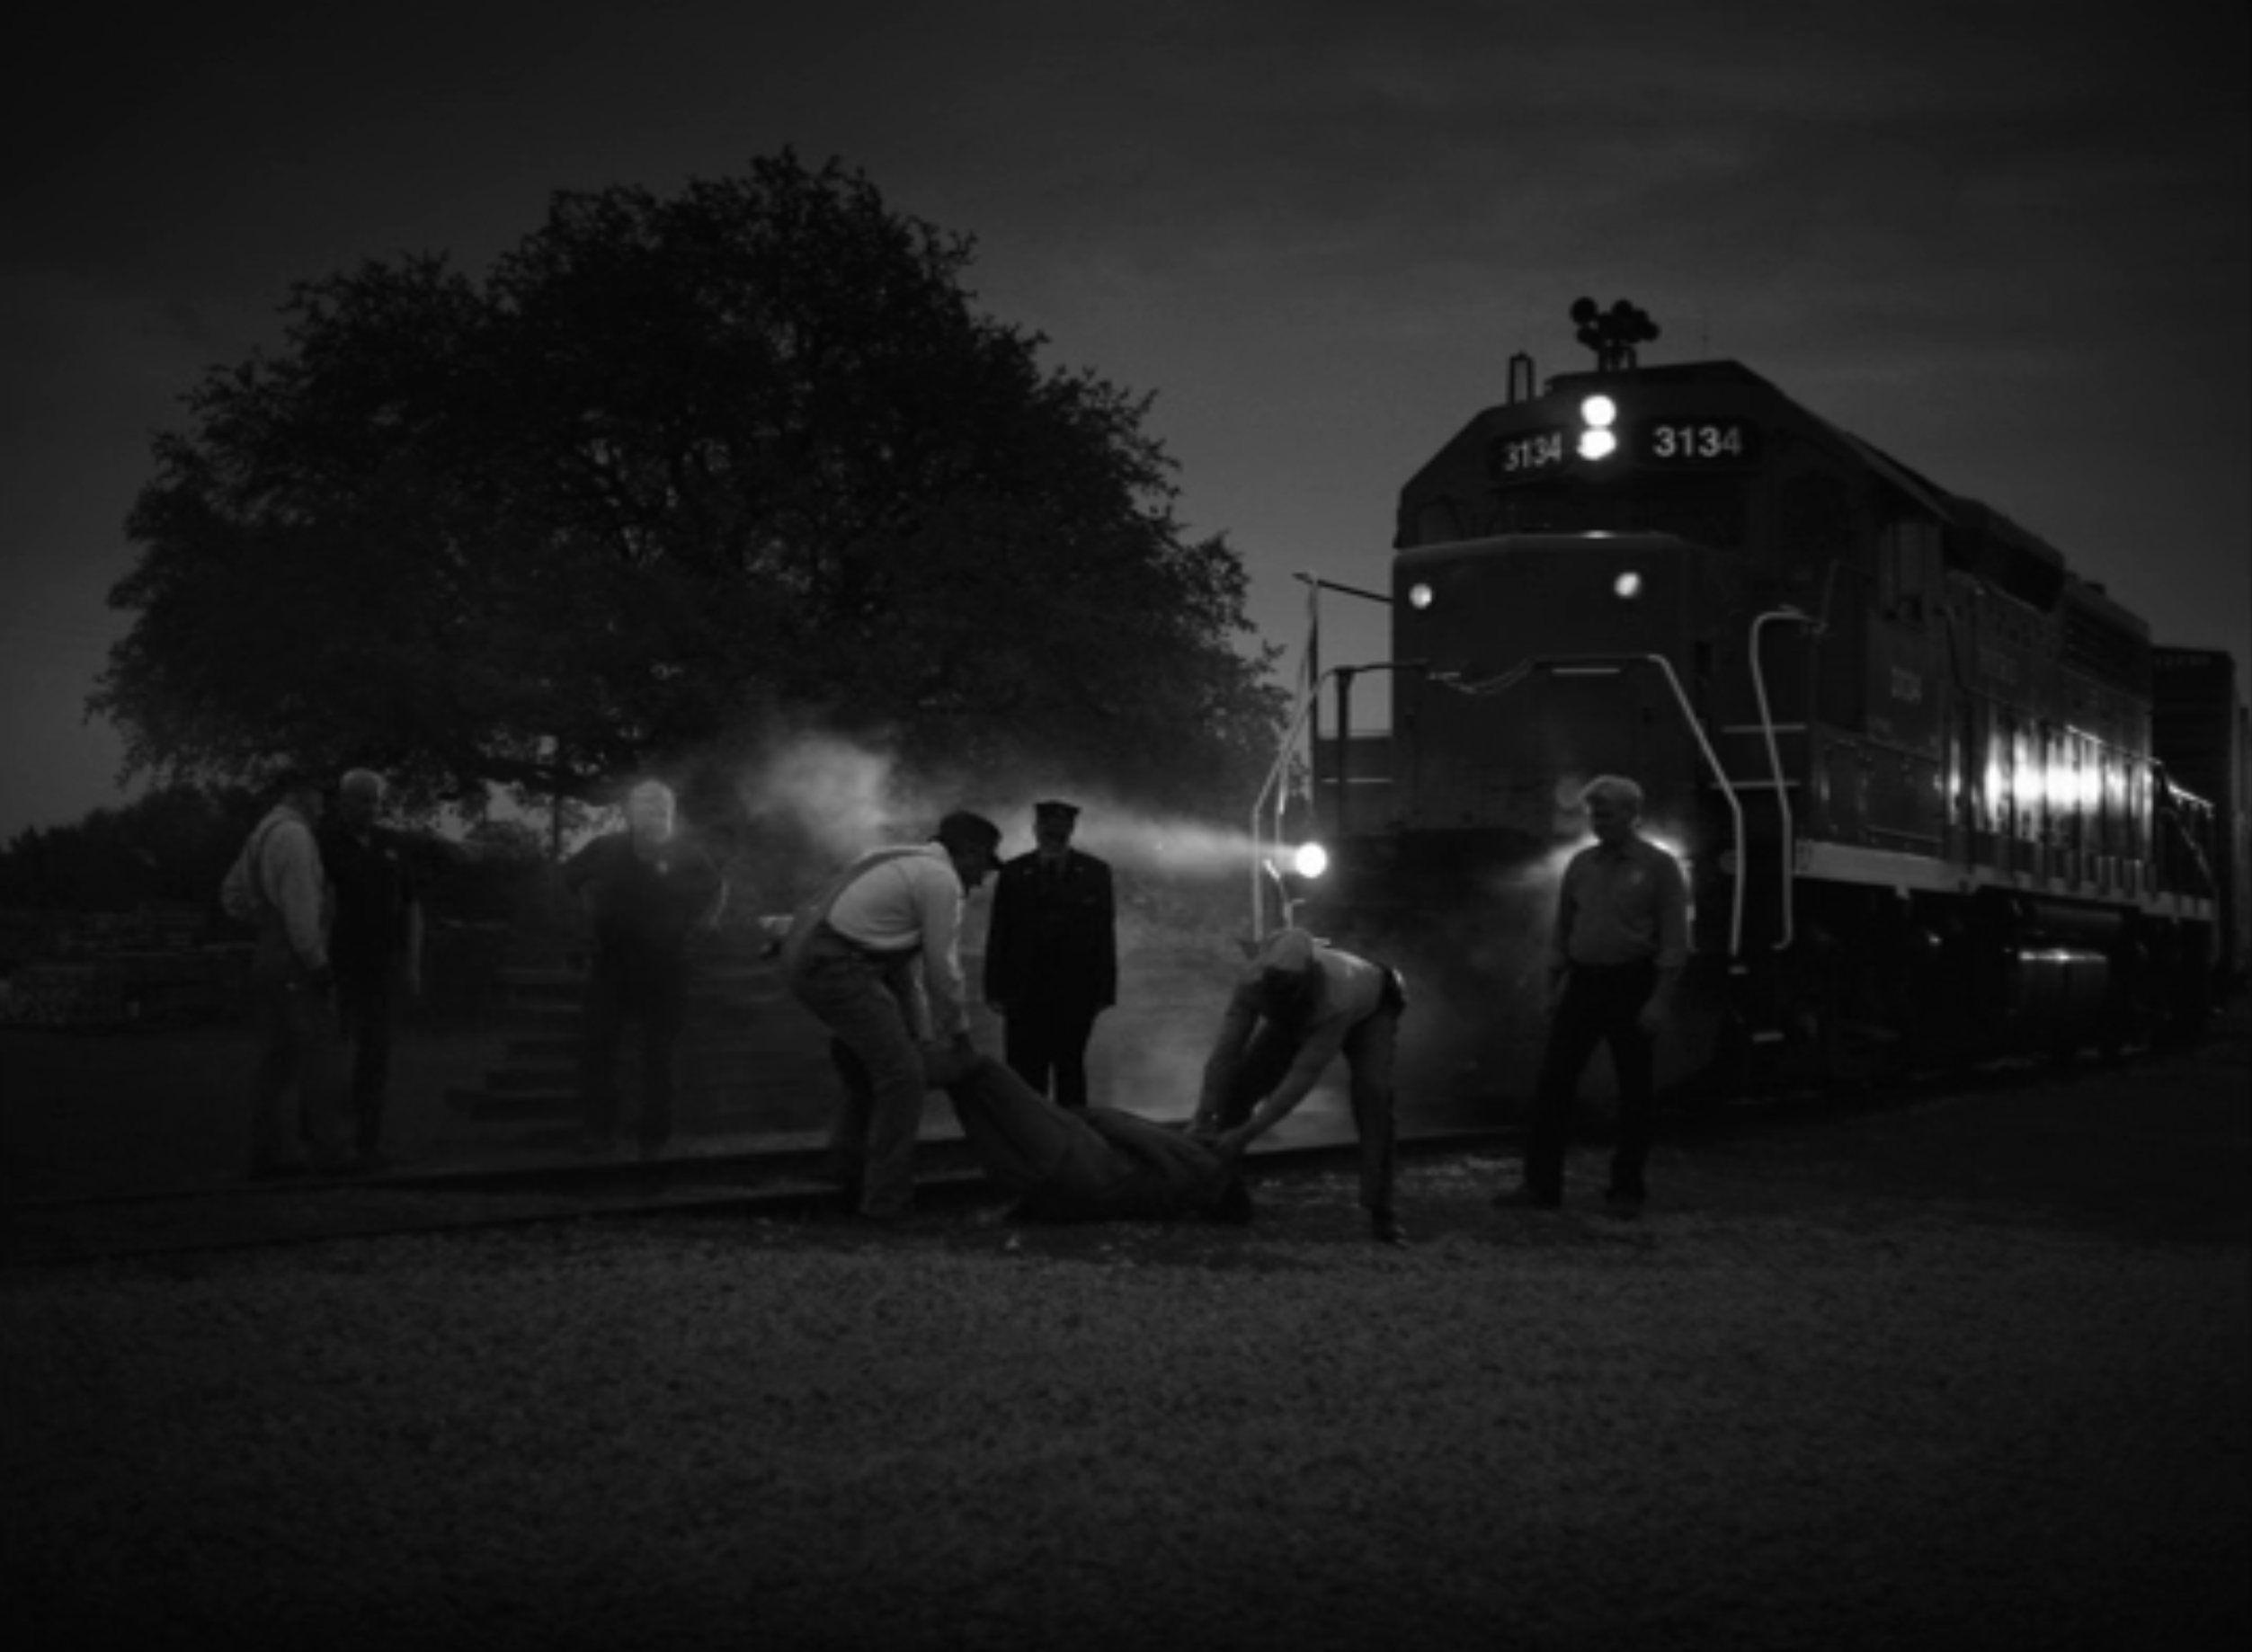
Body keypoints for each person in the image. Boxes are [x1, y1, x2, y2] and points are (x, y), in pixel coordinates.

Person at [784, 811, 1002, 1222]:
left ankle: (846, 1167)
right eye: (983, 867)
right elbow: (942, 969)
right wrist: (959, 1036)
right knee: (903, 1077)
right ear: (970, 852)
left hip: (811, 955)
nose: (980, 880)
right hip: (837, 965)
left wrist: (922, 1036)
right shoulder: (940, 880)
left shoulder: (896, 857)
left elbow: (905, 973)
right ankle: (886, 1202)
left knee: (872, 1062)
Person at [1497, 774, 1690, 1221]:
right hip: (1583, 982)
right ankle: (1540, 1186)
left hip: (1632, 982)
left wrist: (1659, 999)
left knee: (1634, 1091)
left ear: (1632, 814)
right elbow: (1563, 930)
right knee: (1553, 1085)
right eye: (1594, 815)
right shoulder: (1581, 865)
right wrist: (1551, 988)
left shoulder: (1660, 867)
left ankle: (1626, 1190)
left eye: (1605, 814)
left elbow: (1674, 940)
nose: (1597, 822)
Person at [1189, 927, 1409, 1244]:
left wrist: (1247, 1132)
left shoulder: (1336, 998)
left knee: (1372, 1094)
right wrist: (1203, 1114)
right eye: (1276, 988)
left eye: (1290, 989)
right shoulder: (1251, 984)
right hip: (1303, 1010)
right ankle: (1224, 1194)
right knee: (1241, 1086)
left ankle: (1382, 1210)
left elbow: (1302, 1075)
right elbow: (1226, 1052)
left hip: (1373, 1008)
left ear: (1308, 978)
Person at [564, 779, 728, 1159]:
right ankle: (599, 1131)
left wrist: (706, 923)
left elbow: (718, 887)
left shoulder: (688, 854)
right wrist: (584, 917)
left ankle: (654, 1137)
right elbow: (570, 878)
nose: (651, 812)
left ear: (671, 812)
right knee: (597, 1047)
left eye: (659, 807)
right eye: (643, 805)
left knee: (660, 1053)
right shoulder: (605, 848)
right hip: (612, 962)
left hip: (667, 966)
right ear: (629, 811)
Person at [221, 768, 349, 1178]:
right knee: (318, 1053)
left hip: (268, 956)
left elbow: (231, 895)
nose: (323, 806)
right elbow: (301, 912)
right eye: (319, 797)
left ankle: (267, 1154)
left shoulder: (261, 833)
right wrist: (318, 963)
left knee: (276, 1059)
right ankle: (328, 1152)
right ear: (300, 795)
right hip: (295, 959)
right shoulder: (295, 836)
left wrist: (265, 919)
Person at [944, 1052, 1250, 1223]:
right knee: (967, 1090)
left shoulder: (1199, 1165)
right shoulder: (1174, 1202)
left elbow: (1132, 1130)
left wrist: (1078, 1115)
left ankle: (914, 1064)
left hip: (1075, 1155)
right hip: (1051, 1189)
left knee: (980, 1070)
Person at [316, 769, 424, 1172]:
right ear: (342, 801)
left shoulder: (391, 844)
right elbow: (318, 905)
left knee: (376, 1056)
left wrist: (412, 962)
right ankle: (327, 1145)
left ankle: (368, 1144)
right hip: (338, 966)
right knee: (332, 1056)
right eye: (363, 800)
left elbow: (412, 906)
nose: (371, 808)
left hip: (383, 968)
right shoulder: (323, 843)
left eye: (376, 800)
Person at [982, 798, 1117, 1109]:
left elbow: (1103, 934)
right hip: (1024, 988)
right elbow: (1000, 933)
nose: (1054, 838)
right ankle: (1030, 1131)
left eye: (1060, 832)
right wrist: (994, 989)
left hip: (1075, 988)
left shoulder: (1095, 873)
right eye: (1049, 831)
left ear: (1071, 831)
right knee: (1024, 1070)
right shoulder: (1014, 872)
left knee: (1070, 1067)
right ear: (1037, 830)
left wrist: (1104, 991)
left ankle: (1072, 1132)